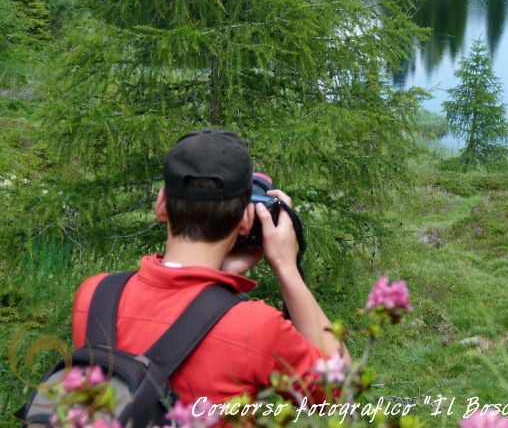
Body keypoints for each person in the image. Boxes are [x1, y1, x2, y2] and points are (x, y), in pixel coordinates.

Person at [71, 129, 350, 406]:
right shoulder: (255, 327)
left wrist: (220, 274)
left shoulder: (95, 295)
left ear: (162, 204)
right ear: (244, 221)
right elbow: (340, 391)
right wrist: (286, 267)